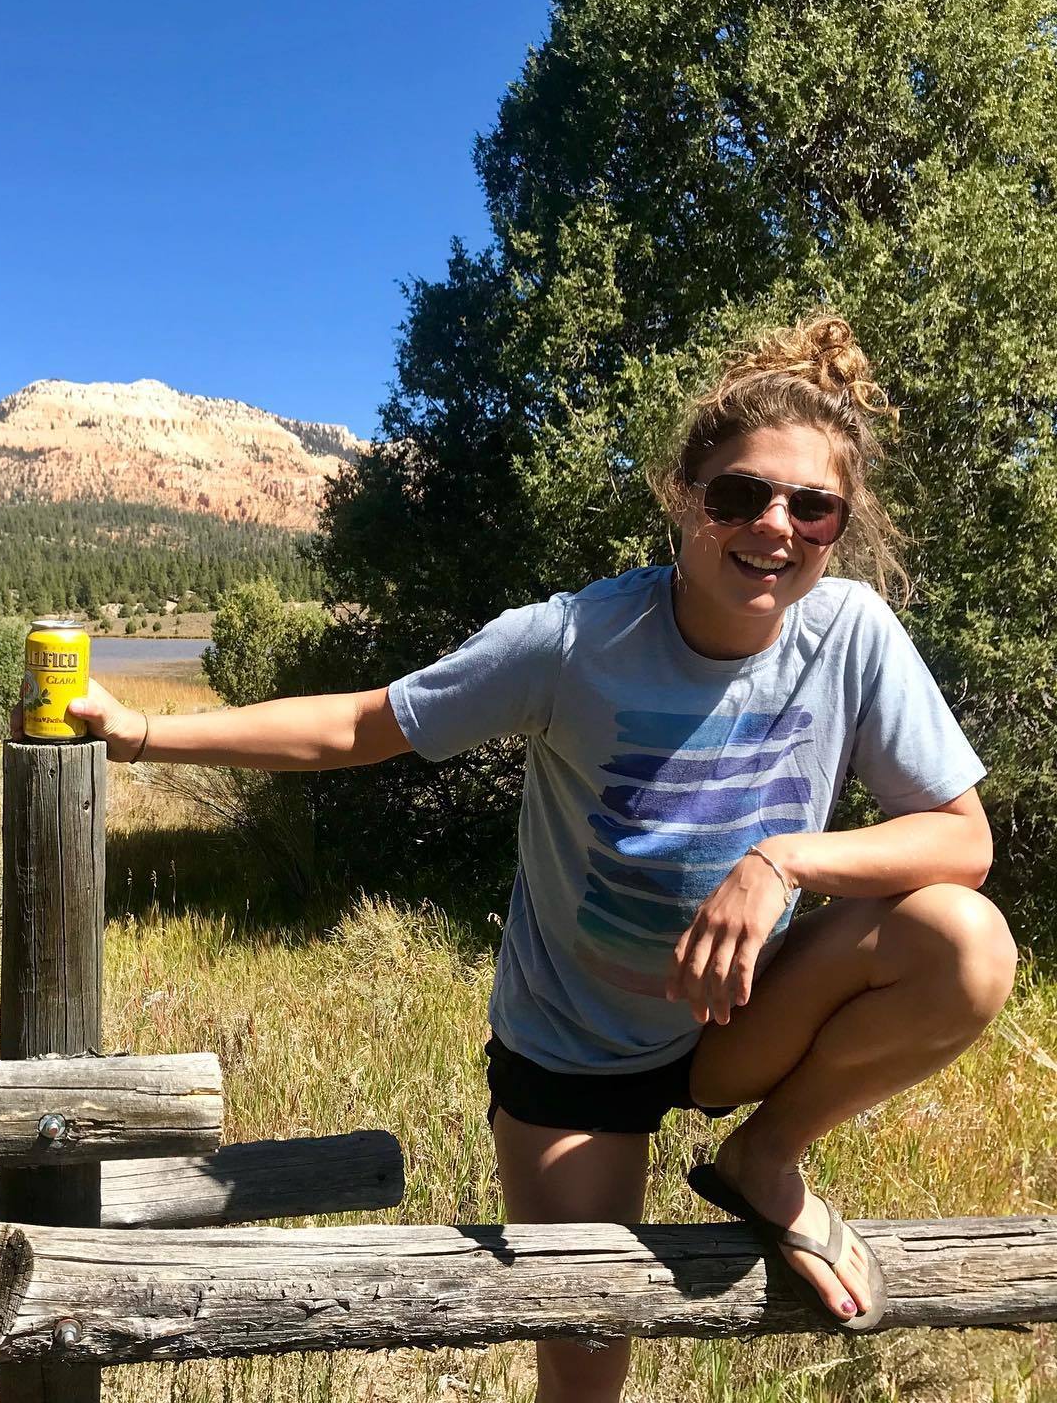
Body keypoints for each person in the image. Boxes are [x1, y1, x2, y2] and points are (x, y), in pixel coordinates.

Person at [52, 314, 1017, 1402]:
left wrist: (784, 861)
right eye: (739, 495)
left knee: (965, 942)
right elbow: (360, 725)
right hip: (576, 1051)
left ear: (839, 526)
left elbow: (962, 839)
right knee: (586, 1367)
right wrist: (142, 732)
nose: (773, 527)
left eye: (812, 507)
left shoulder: (852, 633)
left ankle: (764, 1157)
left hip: (740, 1021)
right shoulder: (575, 641)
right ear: (683, 497)